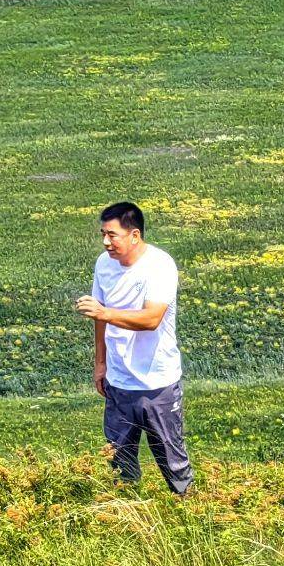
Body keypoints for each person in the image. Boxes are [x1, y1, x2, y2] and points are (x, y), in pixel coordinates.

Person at [74, 200, 193, 495]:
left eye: (112, 235)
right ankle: (128, 512)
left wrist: (105, 313)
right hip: (118, 381)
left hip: (157, 384)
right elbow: (98, 318)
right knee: (119, 461)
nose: (105, 242)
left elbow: (152, 319)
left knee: (171, 460)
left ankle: (190, 510)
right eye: (103, 234)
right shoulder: (103, 265)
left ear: (135, 235)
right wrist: (100, 363)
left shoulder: (160, 265)